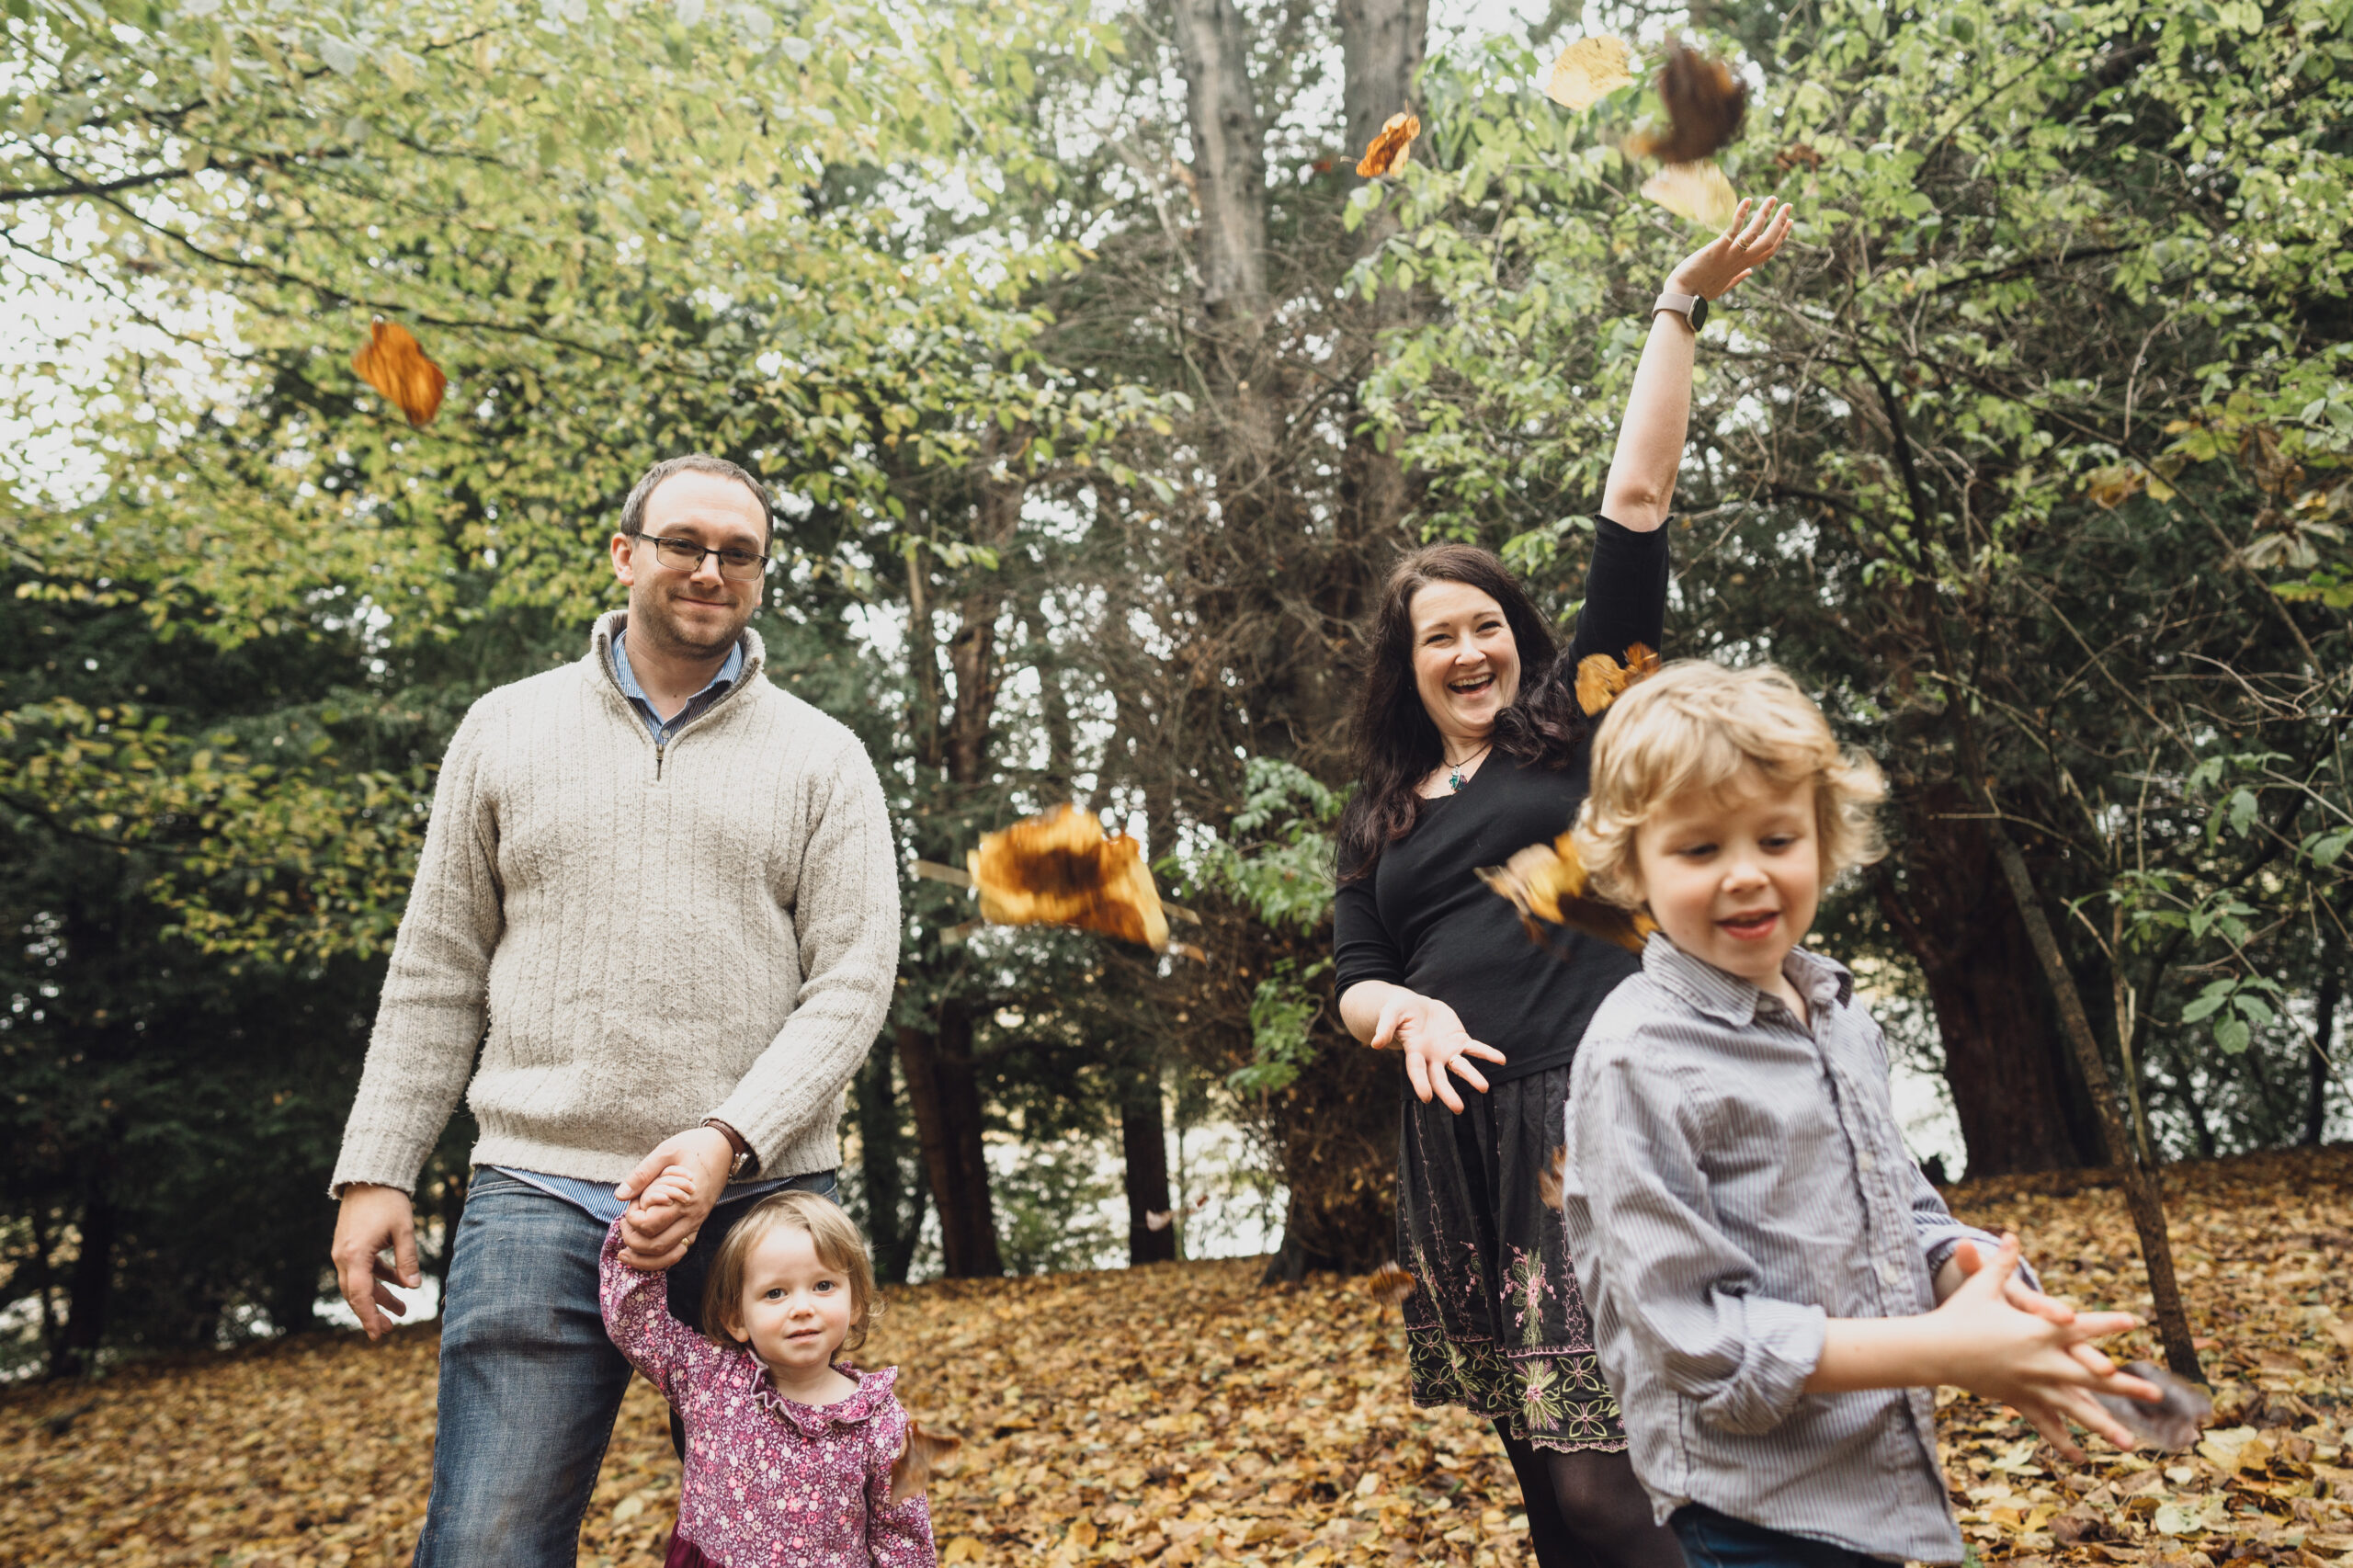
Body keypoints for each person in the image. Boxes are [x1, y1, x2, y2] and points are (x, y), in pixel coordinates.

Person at [325, 453, 902, 1567]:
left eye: (738, 552)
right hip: (539, 1188)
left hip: (760, 1207)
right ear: (626, 553)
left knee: (789, 1549)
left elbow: (851, 982)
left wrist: (725, 1138)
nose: (709, 569)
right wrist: (378, 1166)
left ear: (761, 575)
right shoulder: (504, 728)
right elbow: (438, 963)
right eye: (684, 542)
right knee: (488, 1543)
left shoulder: (824, 758)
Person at [1331, 195, 1795, 1568]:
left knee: (1607, 1483)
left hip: (1588, 1116)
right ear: (1406, 666)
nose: (1467, 650)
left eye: (1486, 624)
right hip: (1459, 1144)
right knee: (1544, 1482)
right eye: (1438, 637)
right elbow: (1356, 974)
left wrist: (1676, 305)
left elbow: (1635, 505)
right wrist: (1405, 1014)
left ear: (1520, 637)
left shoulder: (1576, 726)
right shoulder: (1378, 814)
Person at [1560, 660, 2157, 1567]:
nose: (1746, 875)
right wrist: (1940, 1350)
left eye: (1776, 838)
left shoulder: (1836, 1012)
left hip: (1872, 1478)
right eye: (1698, 850)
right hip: (1753, 1506)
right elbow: (1697, 1340)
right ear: (1632, 866)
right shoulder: (1634, 1057)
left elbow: (1897, 1208)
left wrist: (1977, 1288)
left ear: (1825, 836)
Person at [601, 1183, 937, 1568]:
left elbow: (903, 1536)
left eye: (823, 1286)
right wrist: (643, 1238)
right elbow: (637, 1325)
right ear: (736, 1317)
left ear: (856, 1302)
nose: (802, 1308)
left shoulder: (880, 1421)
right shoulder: (710, 1378)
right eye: (775, 1293)